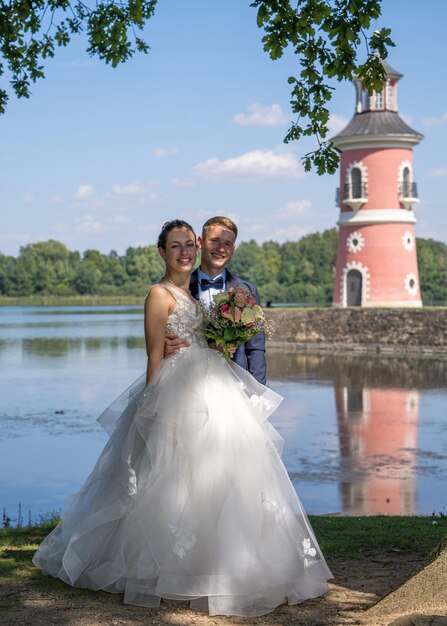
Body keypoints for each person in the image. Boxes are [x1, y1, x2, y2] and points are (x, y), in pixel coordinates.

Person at [33, 219, 332, 617]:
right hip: (179, 392)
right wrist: (152, 406)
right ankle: (168, 567)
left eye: (189, 245)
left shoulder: (191, 292)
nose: (185, 252)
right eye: (176, 246)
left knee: (222, 476)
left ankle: (224, 563)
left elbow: (226, 341)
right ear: (161, 252)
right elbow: (154, 355)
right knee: (171, 480)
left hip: (215, 386)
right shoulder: (159, 294)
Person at [165, 216, 266, 384]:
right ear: (200, 242)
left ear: (233, 248)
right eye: (214, 241)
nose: (221, 249)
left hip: (235, 386)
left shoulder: (248, 290)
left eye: (227, 244)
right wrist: (163, 348)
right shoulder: (178, 288)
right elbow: (163, 337)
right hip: (189, 383)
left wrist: (258, 393)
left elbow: (255, 349)